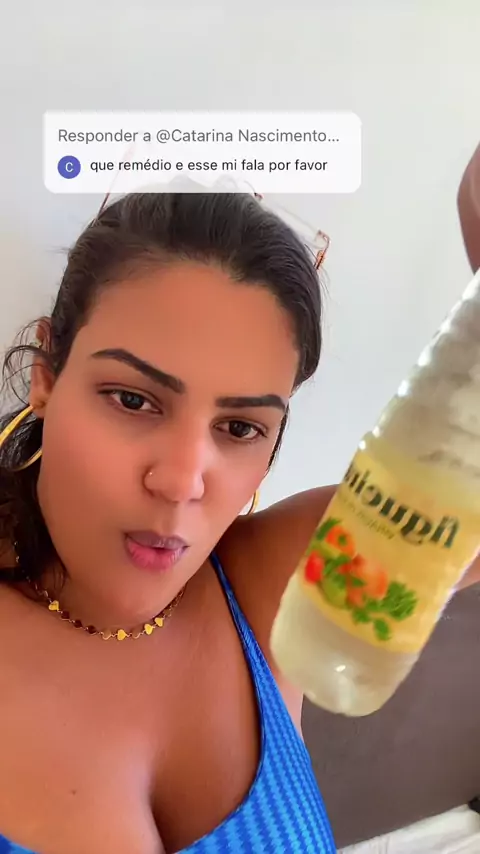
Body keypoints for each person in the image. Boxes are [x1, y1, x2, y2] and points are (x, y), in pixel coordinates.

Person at [0, 191, 336, 854]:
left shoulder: (276, 581)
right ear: (46, 376)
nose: (182, 482)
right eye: (133, 399)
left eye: (239, 428)